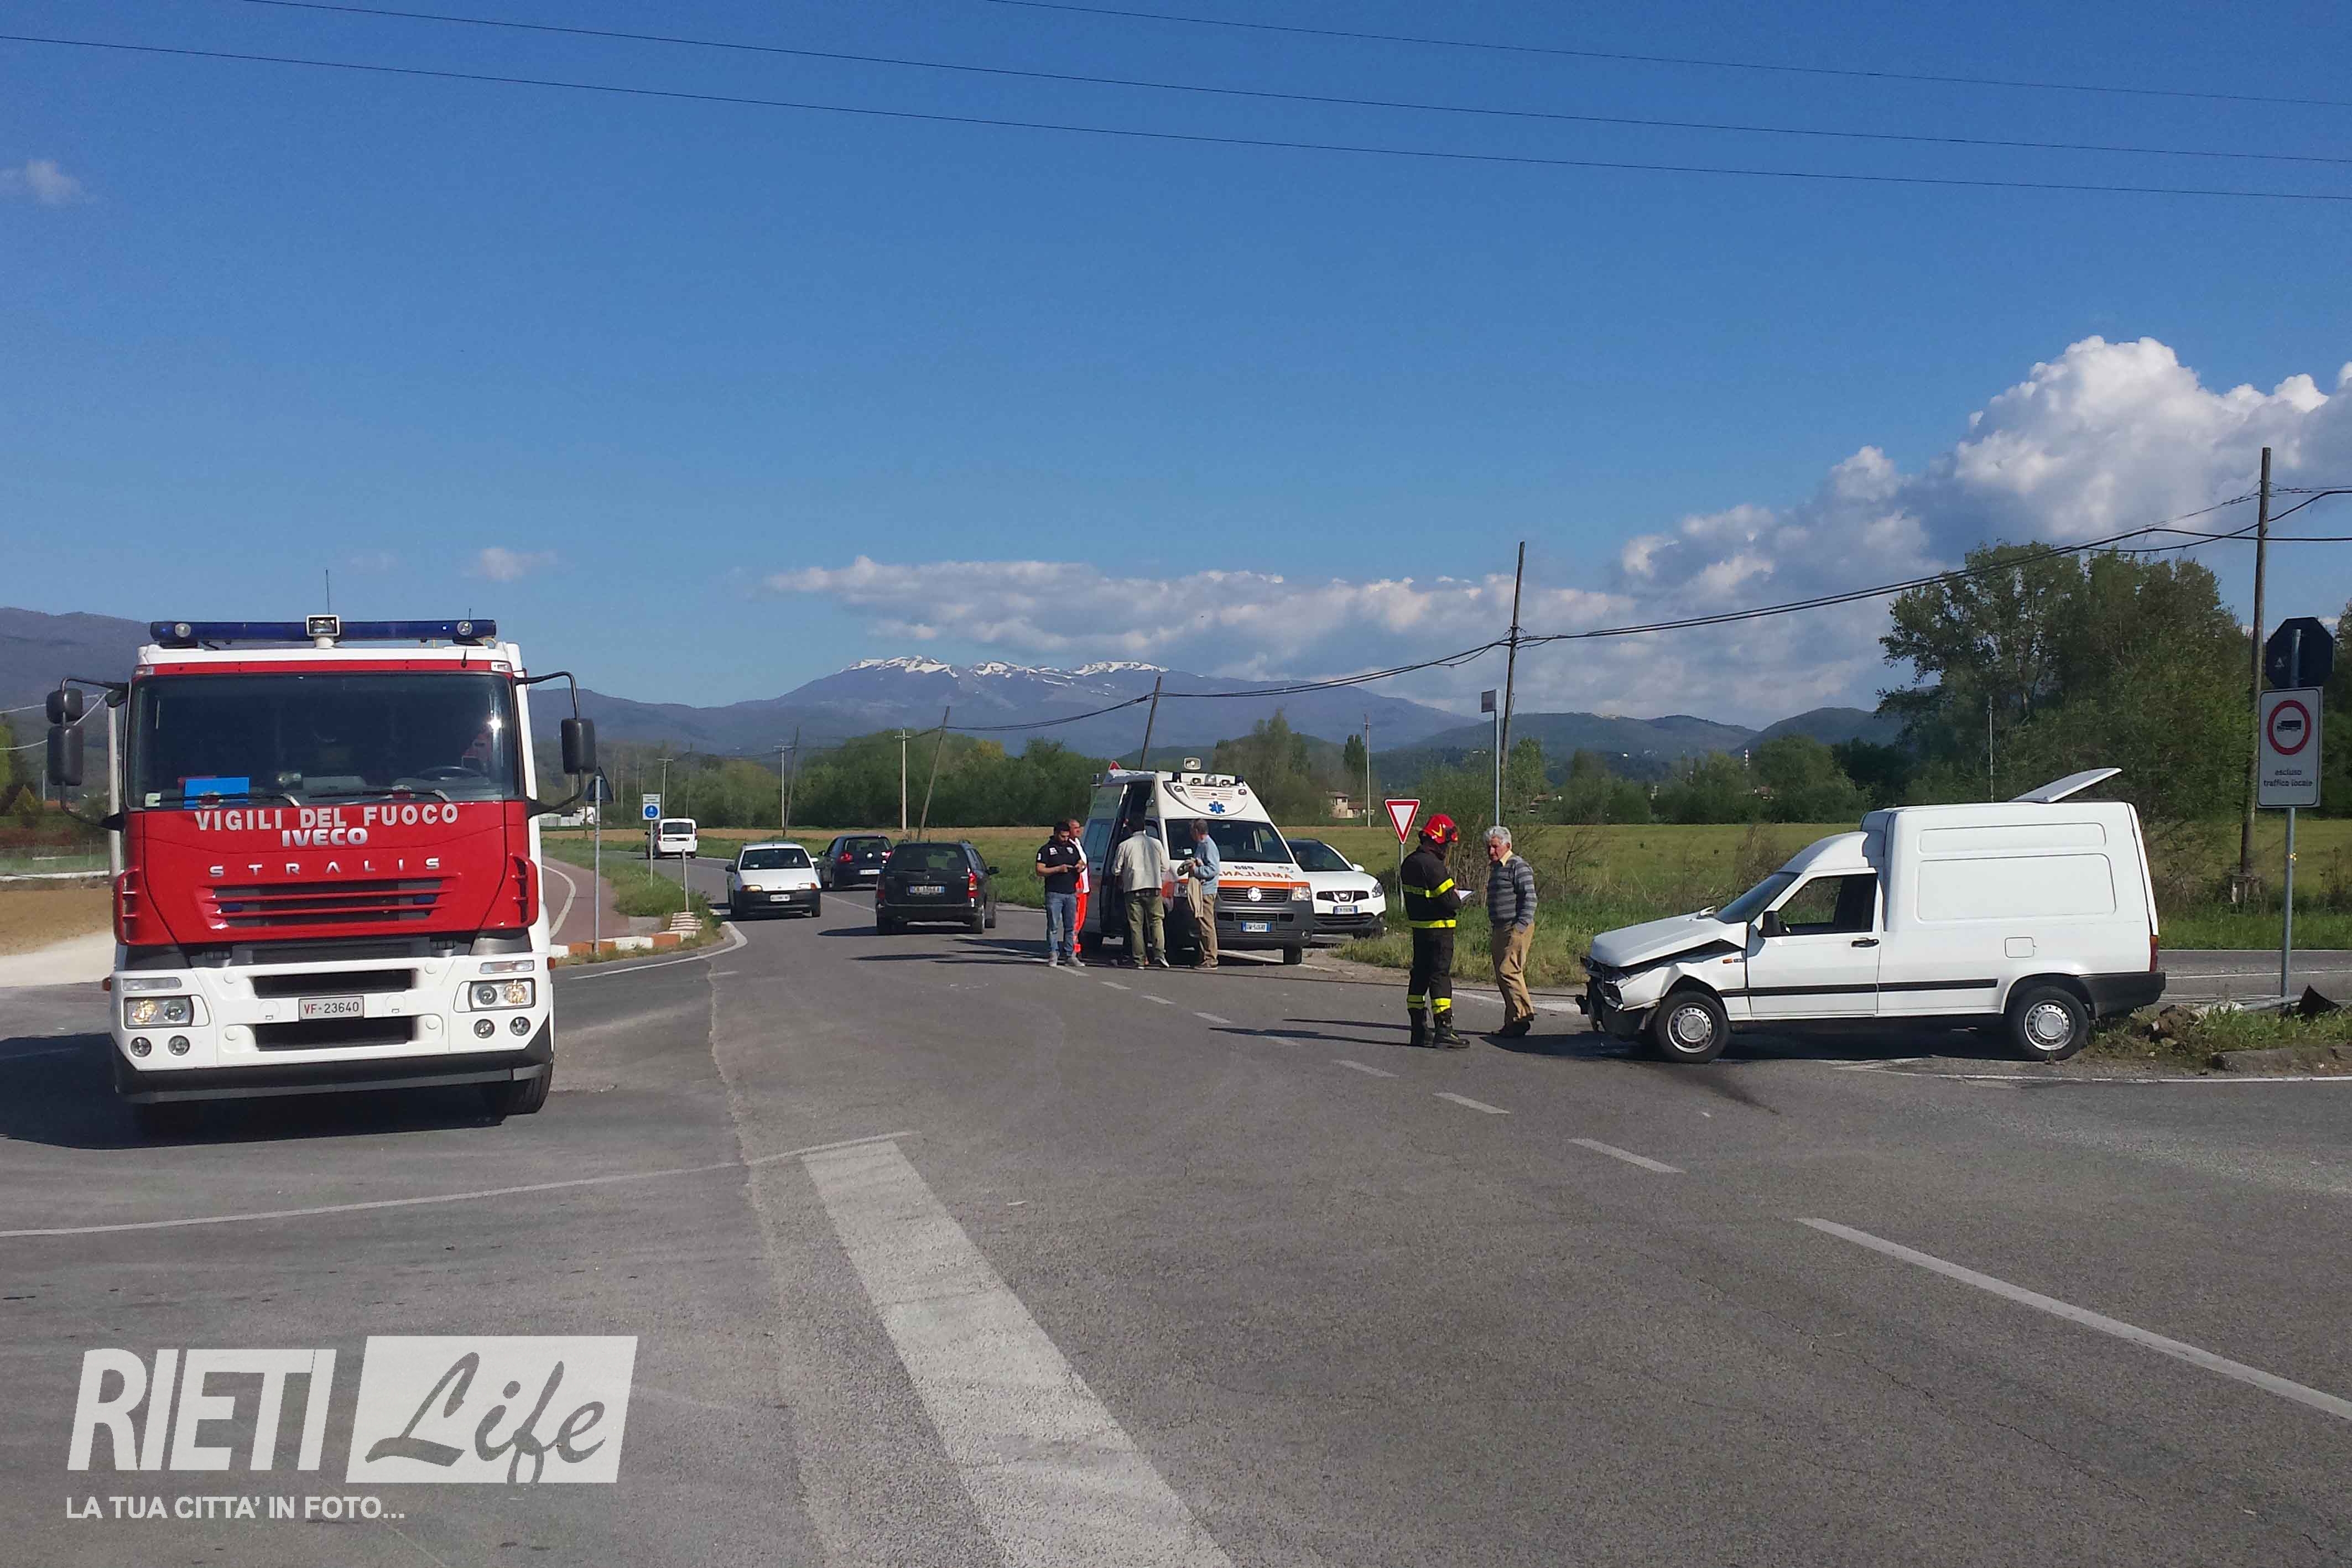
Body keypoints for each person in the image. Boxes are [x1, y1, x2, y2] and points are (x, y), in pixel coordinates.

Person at [1399, 814, 1469, 1048]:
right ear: (1439, 840)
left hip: (1419, 931)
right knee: (1440, 977)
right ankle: (1444, 1029)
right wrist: (1457, 896)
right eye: (1446, 844)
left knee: (1419, 977)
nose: (1447, 849)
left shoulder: (1409, 863)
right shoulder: (1433, 866)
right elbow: (1451, 902)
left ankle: (1418, 1030)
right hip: (1440, 932)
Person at [1485, 825, 1538, 1037]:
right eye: (1489, 847)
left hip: (1515, 927)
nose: (1491, 851)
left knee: (1509, 971)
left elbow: (1530, 898)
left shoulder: (1518, 866)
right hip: (1500, 927)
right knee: (1502, 975)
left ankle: (1523, 1016)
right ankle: (1512, 1022)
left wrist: (1520, 927)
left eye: (1495, 847)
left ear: (1507, 845)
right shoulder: (1497, 868)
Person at [1110, 820, 1171, 969]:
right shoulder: (1156, 843)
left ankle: (1139, 959)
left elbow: (1116, 870)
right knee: (1156, 921)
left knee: (1136, 925)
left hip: (1133, 888)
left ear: (1130, 829)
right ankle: (1160, 954)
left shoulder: (1125, 845)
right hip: (1154, 888)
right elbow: (1166, 866)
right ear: (1145, 828)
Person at [1037, 819, 1085, 967]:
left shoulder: (1072, 847)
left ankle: (1070, 955)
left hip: (1071, 892)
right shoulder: (1046, 850)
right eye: (1063, 837)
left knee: (1071, 926)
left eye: (1067, 836)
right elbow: (1040, 870)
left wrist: (1080, 866)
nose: (1065, 839)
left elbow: (1081, 862)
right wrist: (1058, 869)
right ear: (1056, 834)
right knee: (1054, 926)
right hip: (1054, 893)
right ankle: (1053, 953)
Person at [1183, 819, 1221, 968]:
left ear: (1197, 831)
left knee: (1207, 925)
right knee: (1201, 924)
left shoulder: (1208, 846)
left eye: (1192, 831)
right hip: (1201, 890)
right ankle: (1204, 956)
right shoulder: (1202, 845)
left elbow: (1214, 869)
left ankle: (1211, 958)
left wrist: (1196, 870)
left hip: (1207, 890)